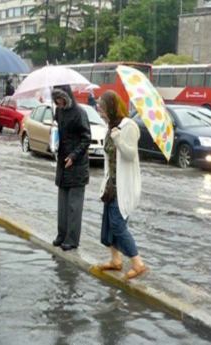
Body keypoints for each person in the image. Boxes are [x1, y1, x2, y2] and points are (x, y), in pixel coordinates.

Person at [96, 90, 147, 279]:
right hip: (111, 184)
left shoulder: (129, 126)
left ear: (111, 107)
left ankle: (138, 263)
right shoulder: (110, 127)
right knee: (108, 226)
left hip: (124, 186)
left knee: (118, 225)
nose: (99, 111)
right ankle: (116, 261)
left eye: (102, 107)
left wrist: (117, 139)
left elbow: (130, 154)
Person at [51, 85, 91, 251]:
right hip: (62, 162)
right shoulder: (59, 111)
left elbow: (86, 138)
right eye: (56, 100)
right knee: (63, 205)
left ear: (67, 97)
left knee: (74, 206)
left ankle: (72, 239)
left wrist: (74, 156)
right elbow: (58, 131)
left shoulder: (80, 113)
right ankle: (62, 235)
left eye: (60, 99)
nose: (59, 103)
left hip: (77, 166)